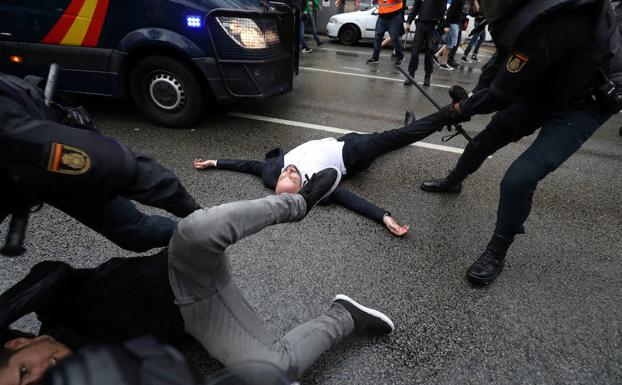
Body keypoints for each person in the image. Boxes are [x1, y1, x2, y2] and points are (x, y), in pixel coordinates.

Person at [0, 168, 396, 385]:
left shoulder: (53, 309)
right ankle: (345, 314)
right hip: (199, 318)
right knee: (275, 370)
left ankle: (297, 201)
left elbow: (49, 273)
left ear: (19, 342)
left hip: (177, 266)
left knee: (196, 227)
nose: (39, 379)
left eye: (23, 372)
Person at [418, 0, 621, 285]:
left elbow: (503, 91)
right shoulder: (523, 12)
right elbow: (502, 59)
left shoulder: (552, 18)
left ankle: (497, 251)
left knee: (519, 178)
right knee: (487, 138)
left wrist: (461, 111)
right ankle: (454, 181)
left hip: (586, 103)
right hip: (548, 89)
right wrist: (474, 96)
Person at [0, 72, 200, 253]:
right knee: (136, 233)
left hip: (35, 152)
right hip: (21, 169)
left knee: (136, 232)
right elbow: (113, 162)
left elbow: (112, 162)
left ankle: (194, 239)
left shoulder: (14, 132)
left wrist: (199, 218)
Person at [194, 113, 460, 236]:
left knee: (394, 139)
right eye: (293, 177)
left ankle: (408, 129)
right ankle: (450, 113)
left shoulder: (272, 174)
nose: (289, 170)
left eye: (286, 173)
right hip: (353, 153)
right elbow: (349, 199)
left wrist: (214, 162)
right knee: (393, 140)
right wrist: (384, 216)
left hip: (341, 139)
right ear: (302, 188)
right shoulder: (318, 185)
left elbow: (247, 166)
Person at [404, 0, 448, 87]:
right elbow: (415, 9)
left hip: (433, 27)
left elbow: (442, 11)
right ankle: (411, 75)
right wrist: (408, 22)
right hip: (421, 25)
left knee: (429, 53)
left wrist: (443, 26)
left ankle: (427, 76)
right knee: (415, 52)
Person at [366, 0, 405, 65]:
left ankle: (400, 57)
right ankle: (375, 57)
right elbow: (375, 2)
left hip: (394, 15)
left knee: (394, 37)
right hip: (382, 16)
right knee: (378, 37)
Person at [434, 0, 465, 70]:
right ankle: (443, 63)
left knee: (451, 43)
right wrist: (447, 25)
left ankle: (437, 55)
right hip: (453, 23)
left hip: (456, 23)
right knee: (450, 44)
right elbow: (451, 11)